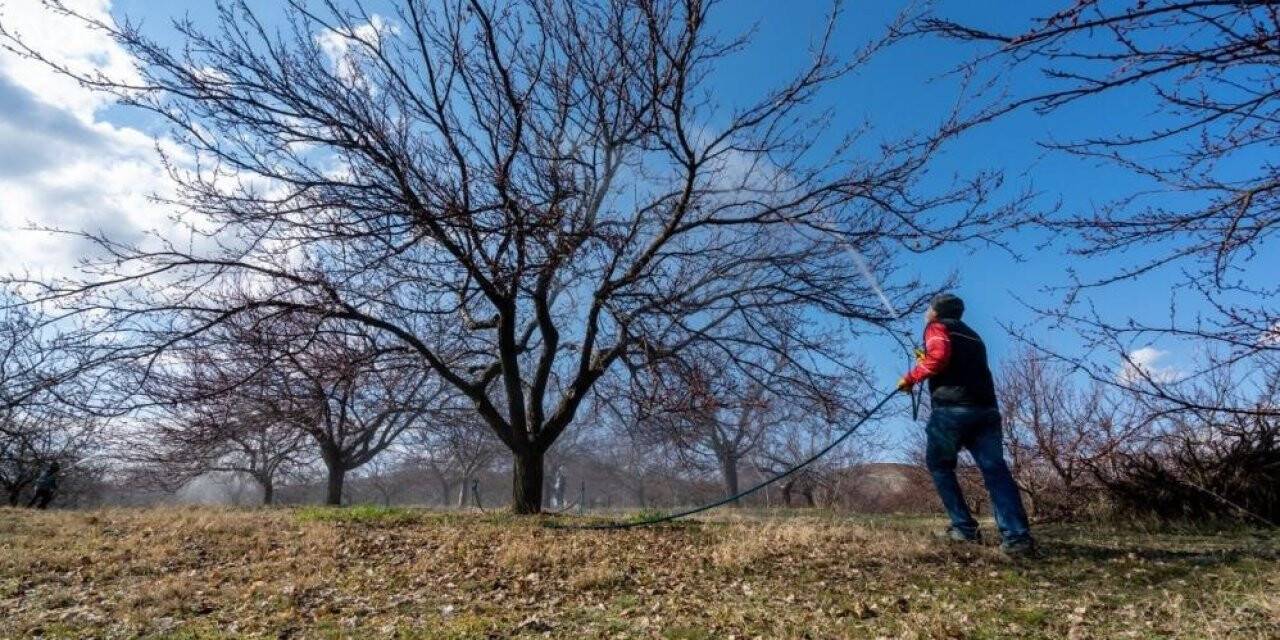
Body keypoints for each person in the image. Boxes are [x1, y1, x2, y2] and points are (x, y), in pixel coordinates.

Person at [897, 293, 1036, 557]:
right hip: (986, 410)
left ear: (936, 312)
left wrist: (911, 377)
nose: (926, 312)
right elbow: (947, 360)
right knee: (996, 471)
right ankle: (1018, 538)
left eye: (929, 308)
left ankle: (963, 528)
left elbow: (939, 359)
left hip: (952, 411)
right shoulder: (974, 335)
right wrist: (925, 360)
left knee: (940, 465)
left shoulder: (936, 327)